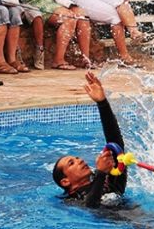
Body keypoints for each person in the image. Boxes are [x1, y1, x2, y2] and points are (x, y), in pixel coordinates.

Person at [52, 71, 128, 208]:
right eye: (71, 163)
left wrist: (102, 103)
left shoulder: (109, 183)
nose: (80, 160)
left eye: (76, 158)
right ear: (65, 182)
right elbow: (91, 207)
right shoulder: (72, 201)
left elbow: (116, 146)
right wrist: (101, 173)